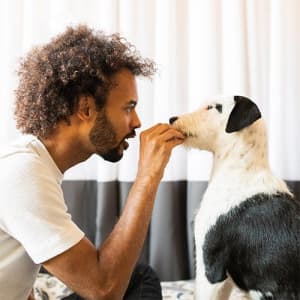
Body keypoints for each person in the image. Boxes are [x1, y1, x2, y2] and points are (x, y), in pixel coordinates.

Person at [0, 25, 185, 300]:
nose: (136, 122)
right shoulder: (23, 173)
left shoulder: (34, 165)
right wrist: (148, 174)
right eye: (128, 107)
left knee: (139, 277)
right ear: (86, 108)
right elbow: (104, 290)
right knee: (128, 281)